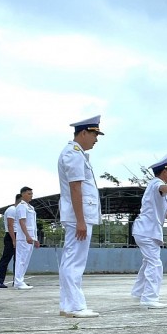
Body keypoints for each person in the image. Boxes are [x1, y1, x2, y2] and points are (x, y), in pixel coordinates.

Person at [58, 115, 103, 318]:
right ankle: (76, 306)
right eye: (94, 134)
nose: (96, 139)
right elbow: (75, 188)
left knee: (72, 260)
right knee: (74, 261)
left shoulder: (77, 154)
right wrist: (81, 221)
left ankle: (68, 305)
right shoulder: (74, 154)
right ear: (84, 133)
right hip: (79, 216)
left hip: (79, 215)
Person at [131, 155, 167, 309]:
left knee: (148, 263)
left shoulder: (157, 188)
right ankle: (149, 298)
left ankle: (139, 292)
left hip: (146, 231)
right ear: (164, 171)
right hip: (146, 231)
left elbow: (153, 210)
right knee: (155, 264)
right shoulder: (157, 183)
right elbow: (162, 188)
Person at [13, 187, 39, 289]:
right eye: (29, 194)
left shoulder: (30, 207)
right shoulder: (21, 206)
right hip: (23, 237)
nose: (31, 196)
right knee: (21, 260)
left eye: (31, 194)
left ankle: (20, 280)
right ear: (23, 194)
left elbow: (33, 225)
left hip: (30, 237)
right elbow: (22, 222)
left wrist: (35, 238)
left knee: (26, 260)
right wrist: (27, 236)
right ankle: (18, 282)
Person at [0, 193, 20, 288]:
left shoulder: (18, 210)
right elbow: (10, 226)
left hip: (18, 235)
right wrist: (14, 240)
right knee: (6, 259)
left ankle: (17, 281)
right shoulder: (12, 210)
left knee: (18, 261)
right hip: (11, 236)